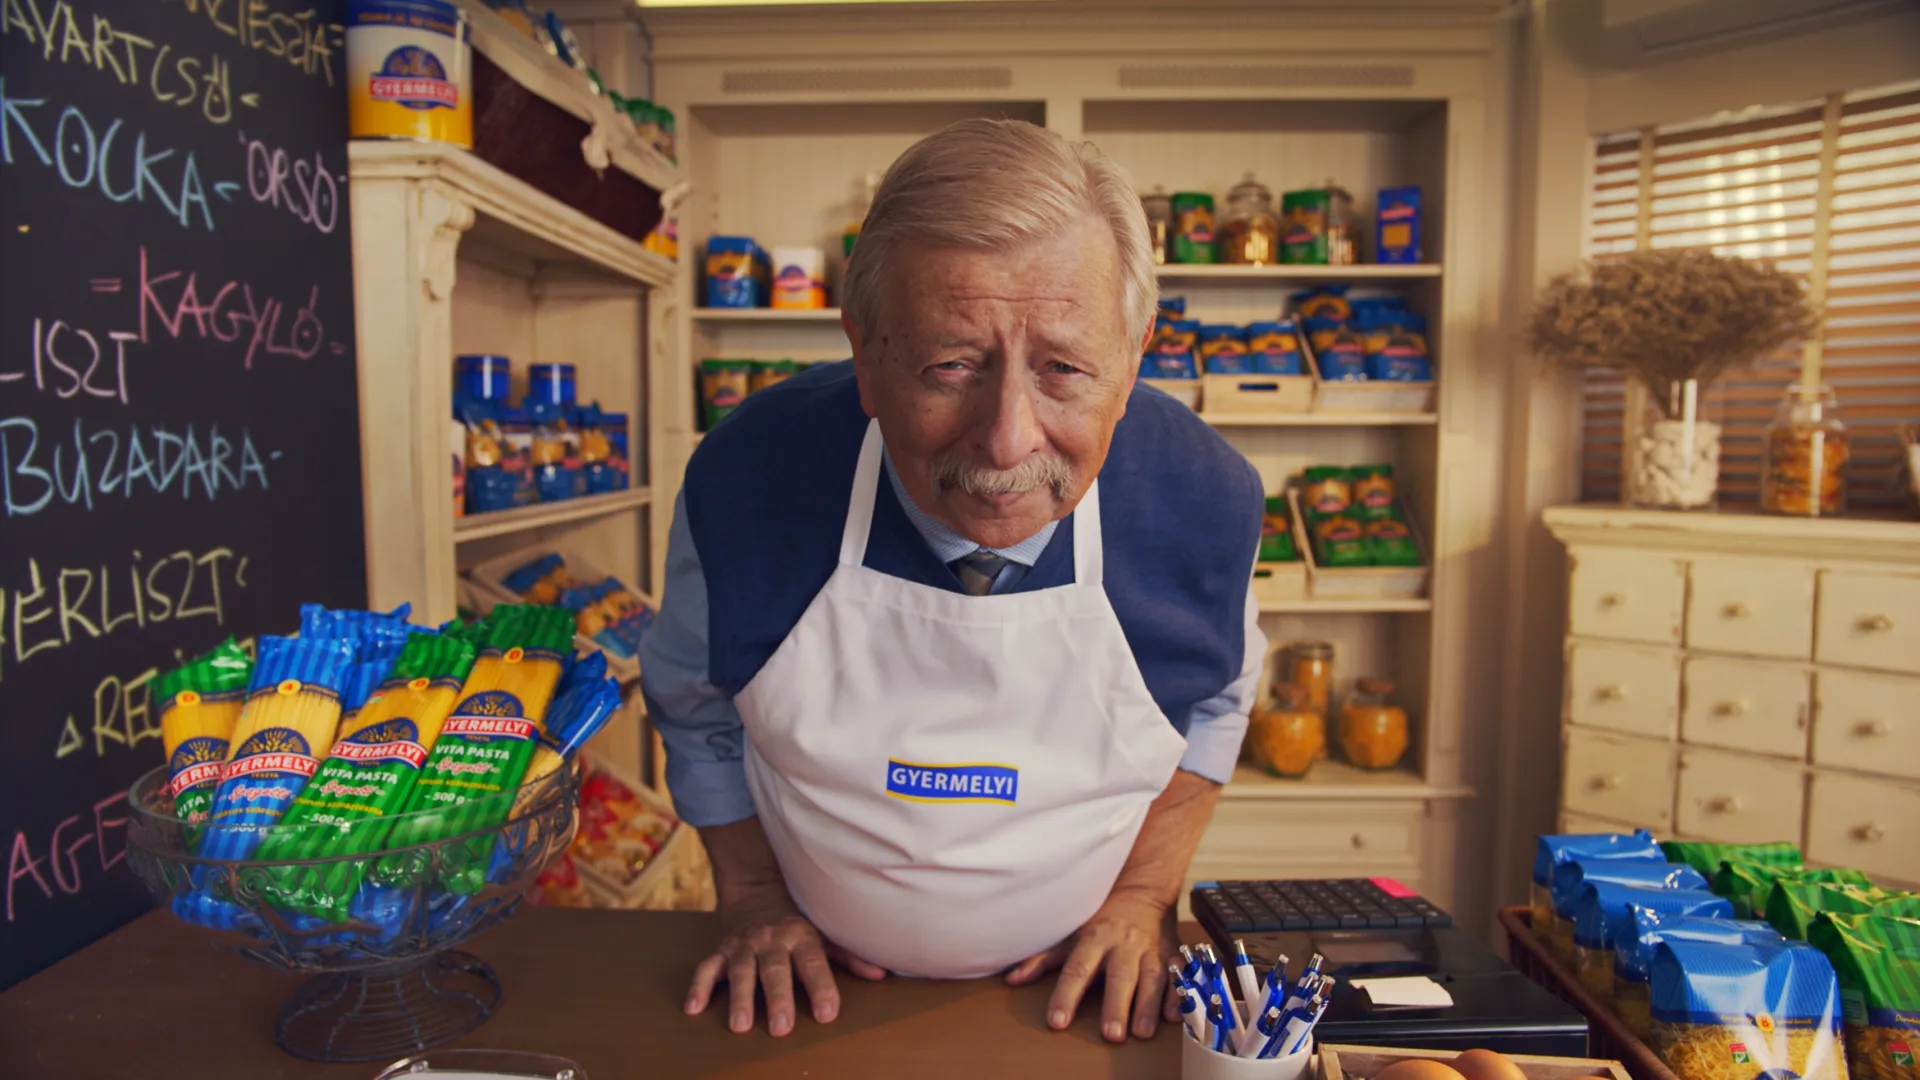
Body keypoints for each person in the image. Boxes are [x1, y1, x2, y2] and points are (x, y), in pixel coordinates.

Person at [640, 118, 1264, 1046]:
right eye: (951, 366)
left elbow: (1218, 698)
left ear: (1134, 359)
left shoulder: (1203, 499)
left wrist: (1143, 894)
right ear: (865, 352)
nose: (1008, 438)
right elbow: (694, 703)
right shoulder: (748, 478)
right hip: (808, 1003)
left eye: (1064, 369)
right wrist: (755, 895)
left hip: (1066, 1010)